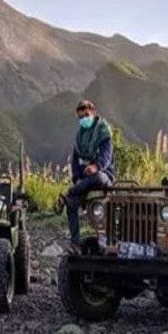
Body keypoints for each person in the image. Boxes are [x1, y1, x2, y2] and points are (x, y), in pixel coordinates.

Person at [61, 100, 115, 251]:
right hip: (85, 180)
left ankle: (71, 191)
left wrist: (96, 166)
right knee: (71, 204)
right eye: (80, 117)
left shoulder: (103, 131)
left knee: (97, 178)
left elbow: (106, 155)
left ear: (92, 112)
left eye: (86, 115)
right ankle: (75, 243)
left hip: (103, 174)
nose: (83, 119)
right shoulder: (80, 136)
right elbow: (75, 162)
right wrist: (77, 178)